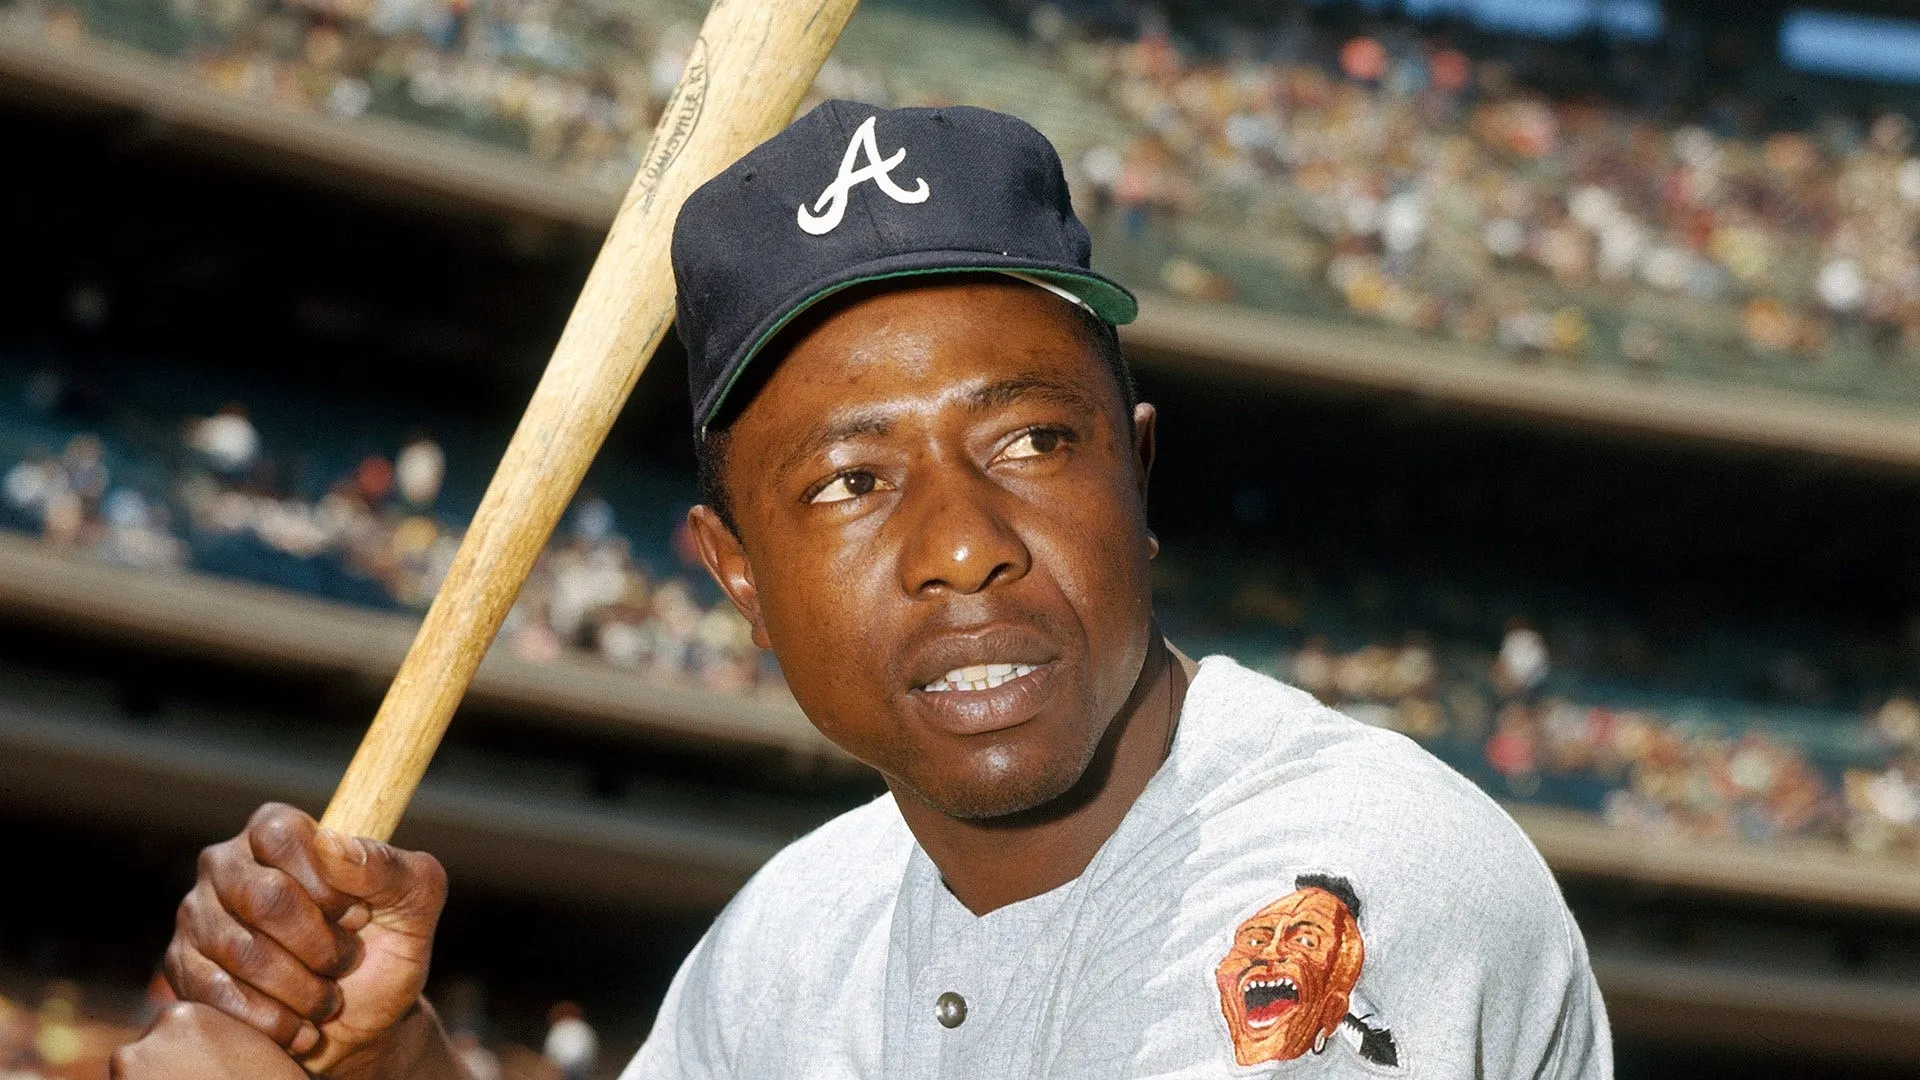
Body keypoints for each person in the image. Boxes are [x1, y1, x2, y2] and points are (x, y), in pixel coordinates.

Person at [115, 102, 1609, 1079]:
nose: (963, 544)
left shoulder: (1354, 875)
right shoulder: (790, 937)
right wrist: (391, 1067)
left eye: (1031, 442)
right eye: (849, 480)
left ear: (1137, 479)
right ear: (739, 578)